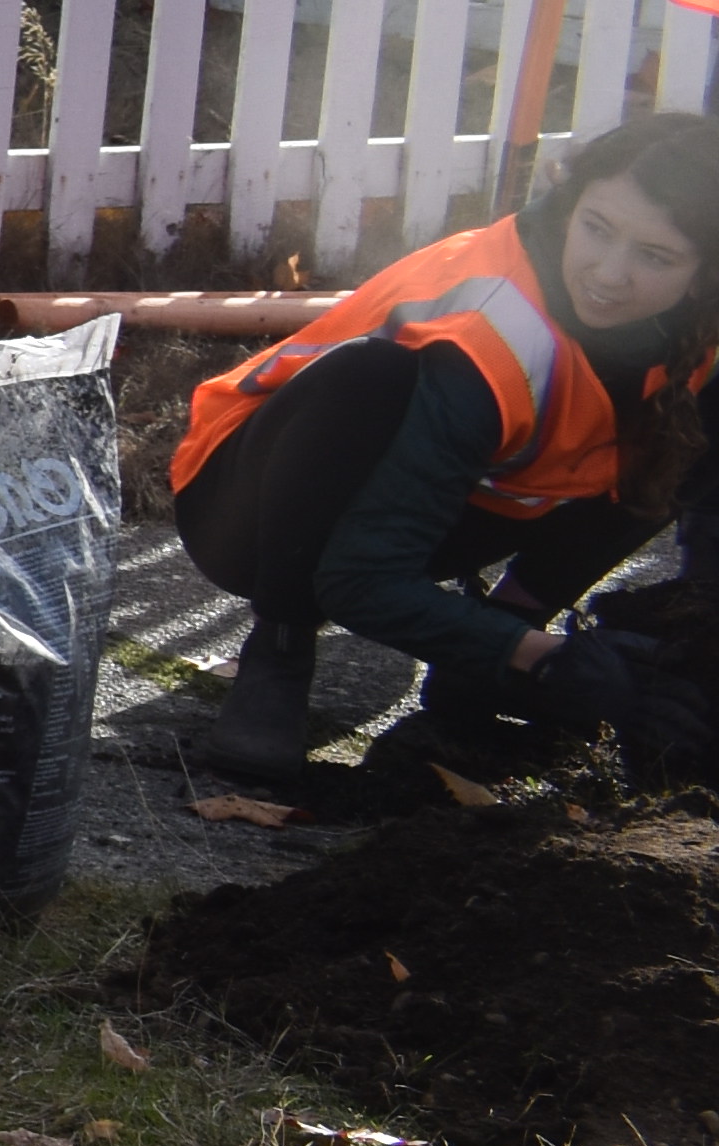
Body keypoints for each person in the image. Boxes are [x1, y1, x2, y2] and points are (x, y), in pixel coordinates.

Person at [172, 114, 719, 788]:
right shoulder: (492, 324)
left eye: (655, 256)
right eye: (596, 228)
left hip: (460, 497)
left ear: (703, 275)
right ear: (573, 203)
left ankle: (505, 621)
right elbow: (361, 580)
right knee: (369, 379)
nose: (609, 273)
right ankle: (279, 647)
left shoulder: (700, 327)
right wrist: (549, 663)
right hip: (255, 508)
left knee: (688, 424)